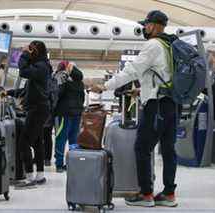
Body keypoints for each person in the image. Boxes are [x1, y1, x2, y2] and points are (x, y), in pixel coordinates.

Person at [91, 10, 178, 207]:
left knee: (142, 147)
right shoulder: (170, 45)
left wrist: (105, 86)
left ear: (155, 25)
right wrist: (142, 89)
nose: (144, 28)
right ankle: (169, 194)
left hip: (155, 107)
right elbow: (162, 76)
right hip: (171, 103)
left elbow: (132, 70)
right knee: (168, 149)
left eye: (146, 24)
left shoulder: (153, 45)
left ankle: (146, 195)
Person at [10, 40, 51, 188]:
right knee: (37, 142)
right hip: (39, 108)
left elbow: (23, 71)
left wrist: (24, 55)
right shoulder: (41, 66)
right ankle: (39, 176)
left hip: (37, 109)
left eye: (29, 49)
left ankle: (29, 178)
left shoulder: (41, 67)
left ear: (35, 51)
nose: (26, 52)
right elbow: (26, 90)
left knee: (24, 142)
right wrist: (7, 92)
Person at [54, 61, 85, 173]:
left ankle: (59, 164)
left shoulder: (63, 82)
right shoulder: (80, 84)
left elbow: (57, 95)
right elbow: (82, 99)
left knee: (61, 139)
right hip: (77, 114)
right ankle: (72, 162)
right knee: (73, 140)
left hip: (63, 114)